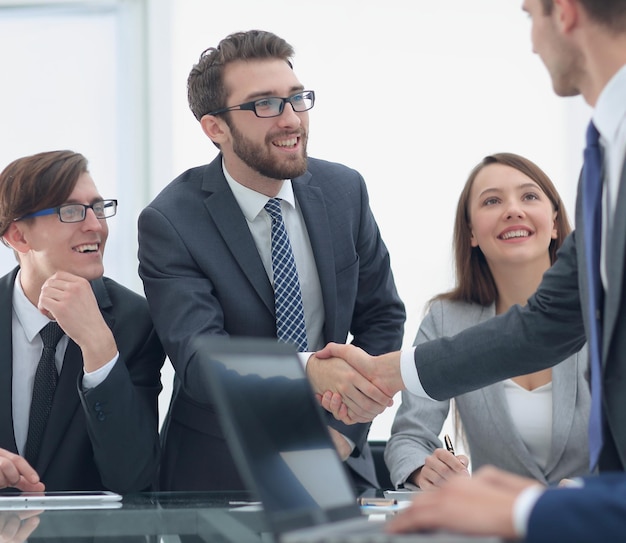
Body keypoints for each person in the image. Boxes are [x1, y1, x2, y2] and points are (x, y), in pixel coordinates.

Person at [315, 0, 626, 539]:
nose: (531, 41)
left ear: (567, 13)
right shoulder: (601, 159)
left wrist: (531, 510)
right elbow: (548, 326)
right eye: (491, 202)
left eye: (530, 15)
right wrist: (390, 374)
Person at [137, 29, 405, 492]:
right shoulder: (171, 221)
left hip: (334, 460)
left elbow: (381, 316)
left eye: (297, 98)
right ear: (215, 127)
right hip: (218, 473)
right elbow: (201, 358)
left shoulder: (345, 192)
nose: (291, 119)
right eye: (265, 104)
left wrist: (344, 432)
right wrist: (308, 369)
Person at [385, 152, 590, 490]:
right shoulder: (446, 320)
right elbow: (409, 436)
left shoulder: (601, 312)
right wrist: (426, 471)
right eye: (492, 201)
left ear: (555, 222)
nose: (513, 209)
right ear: (471, 234)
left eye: (529, 196)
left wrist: (589, 492)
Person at [0, 150, 164, 493]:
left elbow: (136, 481)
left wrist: (99, 347)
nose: (95, 226)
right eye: (71, 212)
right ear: (19, 237)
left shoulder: (136, 322)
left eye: (98, 208)